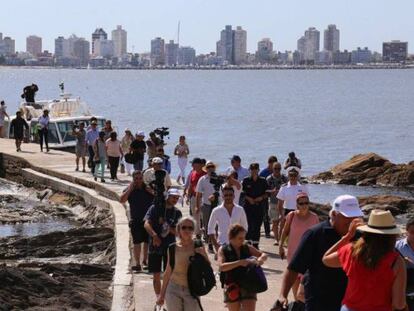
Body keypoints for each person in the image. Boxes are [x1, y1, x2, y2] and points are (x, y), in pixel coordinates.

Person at [275, 194, 363, 311]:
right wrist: (283, 295)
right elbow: (294, 267)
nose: (351, 222)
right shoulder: (315, 234)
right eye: (347, 217)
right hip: (319, 299)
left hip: (349, 300)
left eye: (355, 217)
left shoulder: (360, 236)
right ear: (333, 214)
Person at [322, 210, 406, 311]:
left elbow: (326, 259)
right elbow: (399, 304)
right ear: (392, 236)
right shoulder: (396, 261)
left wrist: (347, 237)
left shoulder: (351, 251)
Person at [157, 216, 210, 310]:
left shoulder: (198, 245)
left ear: (193, 230)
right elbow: (168, 271)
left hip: (192, 289)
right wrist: (162, 295)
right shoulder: (172, 248)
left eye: (190, 228)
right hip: (173, 289)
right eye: (184, 227)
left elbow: (208, 267)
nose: (187, 230)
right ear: (178, 229)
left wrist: (204, 255)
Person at [144, 188, 183, 306]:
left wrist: (166, 224)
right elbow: (146, 223)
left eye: (177, 198)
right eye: (173, 197)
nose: (175, 200)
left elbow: (178, 232)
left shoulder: (177, 213)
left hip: (169, 247)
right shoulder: (155, 208)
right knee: (156, 275)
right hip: (155, 246)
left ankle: (166, 298)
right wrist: (155, 236)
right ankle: (159, 299)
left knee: (169, 275)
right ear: (167, 196)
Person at [218, 224, 268, 311]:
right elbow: (221, 267)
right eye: (240, 238)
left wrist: (261, 259)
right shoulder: (223, 249)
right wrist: (240, 263)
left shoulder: (246, 247)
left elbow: (263, 254)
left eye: (244, 238)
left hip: (248, 283)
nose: (243, 240)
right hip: (232, 285)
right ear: (231, 238)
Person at [279, 192, 319, 300]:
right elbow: (285, 231)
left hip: (309, 255)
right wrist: (280, 246)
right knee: (295, 283)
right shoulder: (291, 216)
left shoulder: (314, 217)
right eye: (301, 203)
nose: (304, 205)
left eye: (306, 202)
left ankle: (301, 303)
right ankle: (297, 304)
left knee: (305, 284)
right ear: (297, 205)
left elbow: (318, 236)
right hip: (293, 253)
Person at [120, 170, 154, 272]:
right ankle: (137, 264)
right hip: (135, 220)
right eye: (136, 179)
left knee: (147, 242)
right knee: (136, 242)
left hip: (148, 220)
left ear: (143, 178)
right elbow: (121, 200)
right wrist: (130, 189)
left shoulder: (148, 188)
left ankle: (145, 262)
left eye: (140, 178)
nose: (138, 180)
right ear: (133, 179)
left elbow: (158, 198)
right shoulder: (130, 189)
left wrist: (151, 191)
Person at [208, 186, 248, 253]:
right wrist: (216, 246)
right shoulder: (216, 210)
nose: (228, 197)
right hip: (222, 244)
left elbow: (245, 227)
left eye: (230, 195)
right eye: (226, 195)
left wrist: (241, 241)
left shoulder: (240, 210)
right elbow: (210, 229)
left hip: (238, 245)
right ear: (222, 197)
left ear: (234, 196)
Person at [276, 166, 308, 241]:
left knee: (300, 231)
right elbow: (280, 203)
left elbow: (307, 201)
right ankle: (282, 245)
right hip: (287, 211)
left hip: (300, 211)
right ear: (288, 176)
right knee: (285, 231)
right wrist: (281, 215)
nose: (293, 177)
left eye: (294, 175)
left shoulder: (302, 187)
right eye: (291, 175)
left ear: (297, 176)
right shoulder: (284, 187)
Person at [242, 163, 268, 249]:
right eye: (252, 169)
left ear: (258, 170)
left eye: (255, 169)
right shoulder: (245, 180)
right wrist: (249, 198)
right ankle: (248, 244)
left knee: (257, 226)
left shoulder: (263, 180)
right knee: (248, 225)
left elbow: (267, 193)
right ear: (249, 170)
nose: (254, 171)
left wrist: (261, 198)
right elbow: (242, 193)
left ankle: (256, 245)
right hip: (248, 206)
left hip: (259, 206)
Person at [195, 160, 218, 252]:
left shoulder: (218, 178)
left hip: (217, 205)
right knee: (207, 225)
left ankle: (216, 243)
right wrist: (197, 206)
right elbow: (198, 194)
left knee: (217, 226)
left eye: (212, 167)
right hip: (206, 205)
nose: (210, 169)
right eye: (208, 167)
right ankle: (210, 244)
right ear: (206, 169)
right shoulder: (202, 179)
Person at [183, 157, 206, 237]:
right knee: (195, 215)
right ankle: (197, 234)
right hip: (193, 197)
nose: (192, 165)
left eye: (194, 163)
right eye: (192, 164)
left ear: (200, 165)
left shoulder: (205, 174)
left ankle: (205, 233)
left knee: (203, 216)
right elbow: (191, 185)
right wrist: (188, 196)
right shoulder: (192, 173)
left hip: (202, 198)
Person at [266, 162, 287, 245]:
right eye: (275, 168)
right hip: (273, 202)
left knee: (283, 221)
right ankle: (276, 239)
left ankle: (281, 238)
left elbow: (288, 188)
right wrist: (272, 191)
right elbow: (265, 191)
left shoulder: (284, 178)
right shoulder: (269, 179)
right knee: (275, 222)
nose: (277, 170)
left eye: (279, 168)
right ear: (272, 169)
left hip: (284, 203)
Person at [396, 217, 414, 310]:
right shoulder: (397, 247)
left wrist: (411, 263)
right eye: (412, 232)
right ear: (406, 231)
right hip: (402, 291)